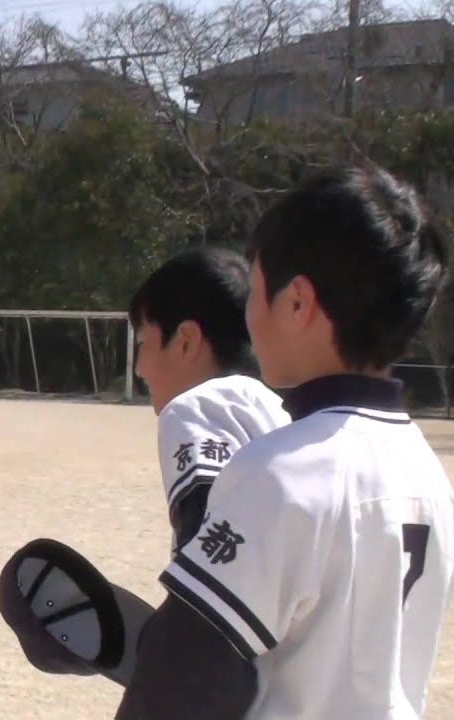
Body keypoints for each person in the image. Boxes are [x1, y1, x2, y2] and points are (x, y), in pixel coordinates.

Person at [117, 165, 454, 719]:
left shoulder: (285, 472)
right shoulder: (427, 473)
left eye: (255, 288)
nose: (249, 315)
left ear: (296, 302)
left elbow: (185, 676)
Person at [127, 247, 289, 550]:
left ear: (186, 342)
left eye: (143, 342)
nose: (138, 368)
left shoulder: (197, 408)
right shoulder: (278, 411)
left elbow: (209, 552)